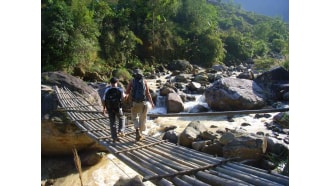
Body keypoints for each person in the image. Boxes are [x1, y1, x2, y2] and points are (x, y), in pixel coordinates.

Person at [125, 69, 155, 141]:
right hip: (143, 103)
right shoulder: (144, 81)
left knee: (134, 117)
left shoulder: (132, 81)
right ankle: (140, 134)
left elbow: (127, 92)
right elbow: (148, 93)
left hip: (134, 103)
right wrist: (152, 102)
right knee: (143, 118)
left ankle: (137, 130)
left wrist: (126, 100)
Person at [102, 77, 126, 143]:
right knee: (122, 118)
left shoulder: (107, 90)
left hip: (110, 108)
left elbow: (104, 100)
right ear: (117, 83)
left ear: (110, 83)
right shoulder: (120, 90)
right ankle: (121, 130)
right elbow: (123, 98)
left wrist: (104, 109)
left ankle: (114, 137)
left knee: (112, 122)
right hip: (118, 108)